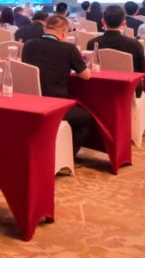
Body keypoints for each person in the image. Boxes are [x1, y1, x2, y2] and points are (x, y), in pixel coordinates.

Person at [22, 15, 93, 155]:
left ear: (45, 28)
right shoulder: (68, 48)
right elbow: (86, 75)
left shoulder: (29, 44)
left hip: (31, 102)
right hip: (55, 105)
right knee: (85, 118)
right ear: (64, 32)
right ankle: (68, 155)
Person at [87, 5, 145, 96]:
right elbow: (141, 73)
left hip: (98, 90)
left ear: (103, 21)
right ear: (124, 23)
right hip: (128, 92)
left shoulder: (92, 44)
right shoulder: (135, 45)